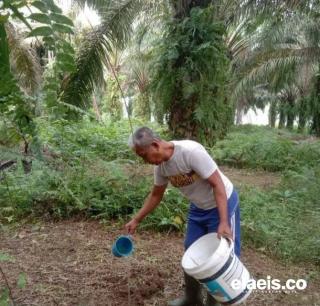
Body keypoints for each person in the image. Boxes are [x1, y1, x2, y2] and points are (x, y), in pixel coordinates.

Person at [125, 127, 241, 306]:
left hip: (221, 202)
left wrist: (224, 221)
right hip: (199, 207)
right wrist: (136, 219)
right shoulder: (161, 167)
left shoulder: (190, 152)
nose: (145, 161)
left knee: (219, 255)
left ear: (155, 145)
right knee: (190, 250)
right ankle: (192, 298)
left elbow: (217, 184)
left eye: (143, 155)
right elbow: (156, 195)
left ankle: (214, 302)